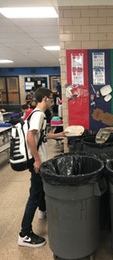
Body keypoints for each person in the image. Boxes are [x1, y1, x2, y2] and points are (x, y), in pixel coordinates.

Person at [18, 87, 66, 248]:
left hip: (40, 160)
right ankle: (24, 234)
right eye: (51, 98)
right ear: (45, 98)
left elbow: (41, 136)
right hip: (38, 162)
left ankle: (43, 212)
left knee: (40, 189)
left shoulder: (36, 114)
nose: (52, 100)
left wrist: (60, 134)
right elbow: (30, 136)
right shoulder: (38, 114)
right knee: (35, 195)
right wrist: (37, 160)